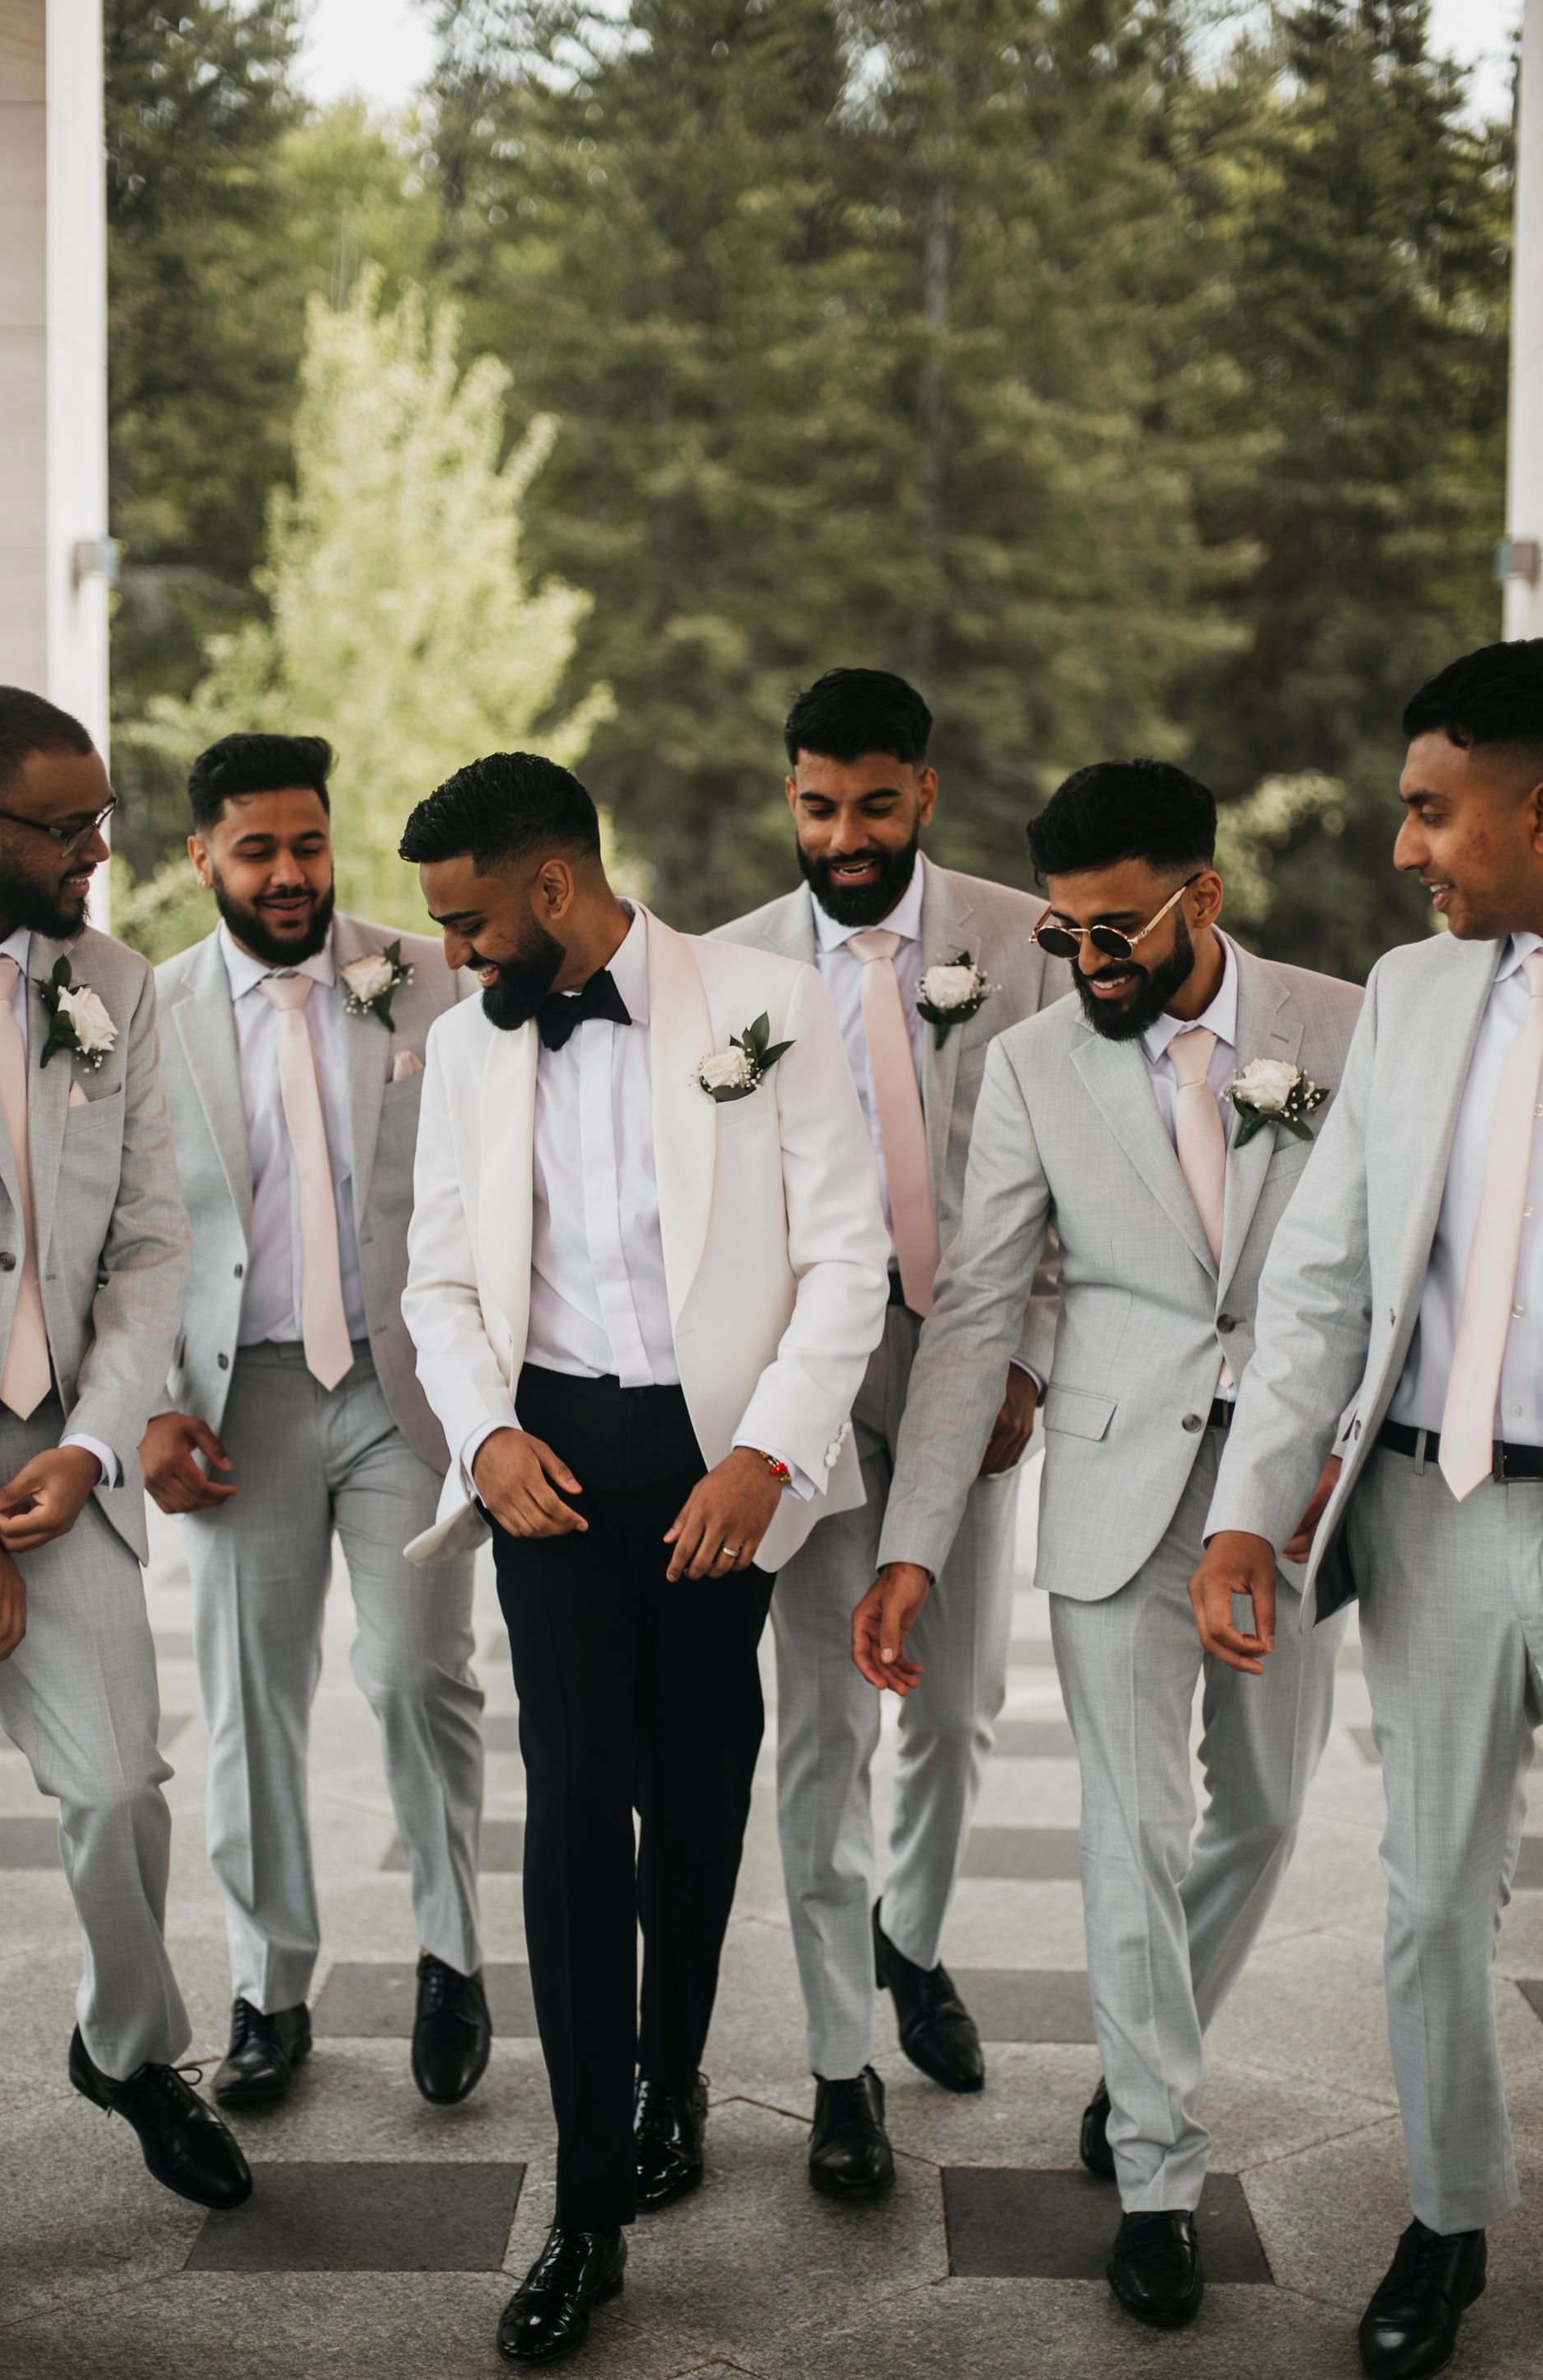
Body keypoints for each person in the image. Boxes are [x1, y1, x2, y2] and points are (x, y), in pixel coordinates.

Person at [398, 752, 889, 2364]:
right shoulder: (469, 1045)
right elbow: (438, 1283)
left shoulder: (767, 1002)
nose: (457, 959)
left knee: (698, 1783)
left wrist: (770, 1451)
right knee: (571, 1802)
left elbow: (845, 1258)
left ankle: (671, 2070)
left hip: (719, 1460)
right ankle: (588, 2210)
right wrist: (481, 1436)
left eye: (470, 925)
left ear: (552, 887)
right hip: (546, 1461)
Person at [856, 758, 1361, 2328]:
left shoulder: (1345, 1030)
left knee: (1265, 1812)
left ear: (1201, 897)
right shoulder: (1029, 1069)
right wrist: (913, 1541)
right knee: (1128, 1837)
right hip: (1111, 1483)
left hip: (1287, 1498)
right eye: (1067, 932)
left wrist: (1336, 1461)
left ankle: (1157, 2046)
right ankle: (1157, 2166)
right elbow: (978, 1311)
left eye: (1118, 927)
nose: (1089, 961)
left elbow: (1392, 1282)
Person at [1190, 639, 1543, 2380]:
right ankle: (1451, 2213)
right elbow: (1323, 1278)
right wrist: (1255, 1505)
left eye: (1433, 809)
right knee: (1428, 1895)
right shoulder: (1414, 1000)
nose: (1407, 848)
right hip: (1439, 1507)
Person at [714, 667, 1066, 2194]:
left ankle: (907, 1938)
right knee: (823, 1728)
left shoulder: (1026, 950)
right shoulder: (724, 969)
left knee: (961, 1696)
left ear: (922, 794)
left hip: (971, 1369)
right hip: (811, 1385)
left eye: (872, 804)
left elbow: (1074, 1183)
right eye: (816, 804)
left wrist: (1029, 1367)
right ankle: (839, 2061)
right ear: (788, 798)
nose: (843, 833)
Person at [143, 732, 490, 2114]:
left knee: (419, 1674)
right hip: (243, 1400)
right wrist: (159, 1409)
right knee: (249, 1697)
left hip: (405, 1385)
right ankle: (266, 1989)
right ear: (202, 857)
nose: (290, 875)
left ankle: (451, 1956)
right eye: (257, 850)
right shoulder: (145, 1008)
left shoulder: (425, 973)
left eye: (308, 844)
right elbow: (128, 1232)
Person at [0, 685, 249, 2208]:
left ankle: (127, 2051)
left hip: (55, 1445)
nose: (101, 852)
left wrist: (90, 1447)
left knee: (123, 1785)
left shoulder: (116, 988)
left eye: (105, 818)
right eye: (70, 827)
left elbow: (152, 1245)